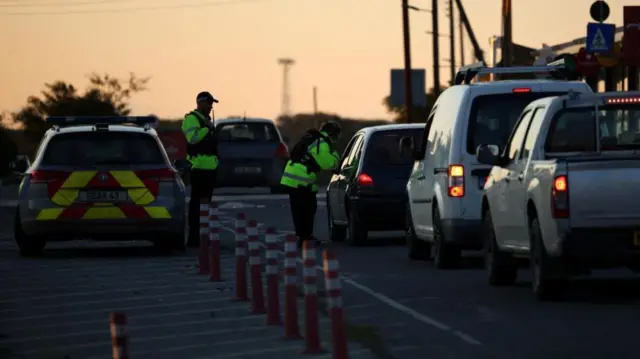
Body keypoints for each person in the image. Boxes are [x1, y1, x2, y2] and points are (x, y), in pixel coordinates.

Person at [280, 121, 341, 245]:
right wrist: (335, 156)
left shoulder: (312, 138)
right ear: (332, 134)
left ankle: (302, 237)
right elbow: (327, 163)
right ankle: (306, 237)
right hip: (300, 179)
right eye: (336, 136)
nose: (336, 140)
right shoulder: (322, 143)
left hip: (291, 177)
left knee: (298, 209)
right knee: (308, 207)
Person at [182, 91, 219, 248]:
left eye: (212, 104)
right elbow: (193, 138)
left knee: (206, 204)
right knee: (197, 203)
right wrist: (207, 128)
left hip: (210, 167)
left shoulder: (206, 120)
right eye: (209, 103)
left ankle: (203, 236)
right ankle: (194, 237)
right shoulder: (191, 119)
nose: (211, 107)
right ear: (200, 103)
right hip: (198, 167)